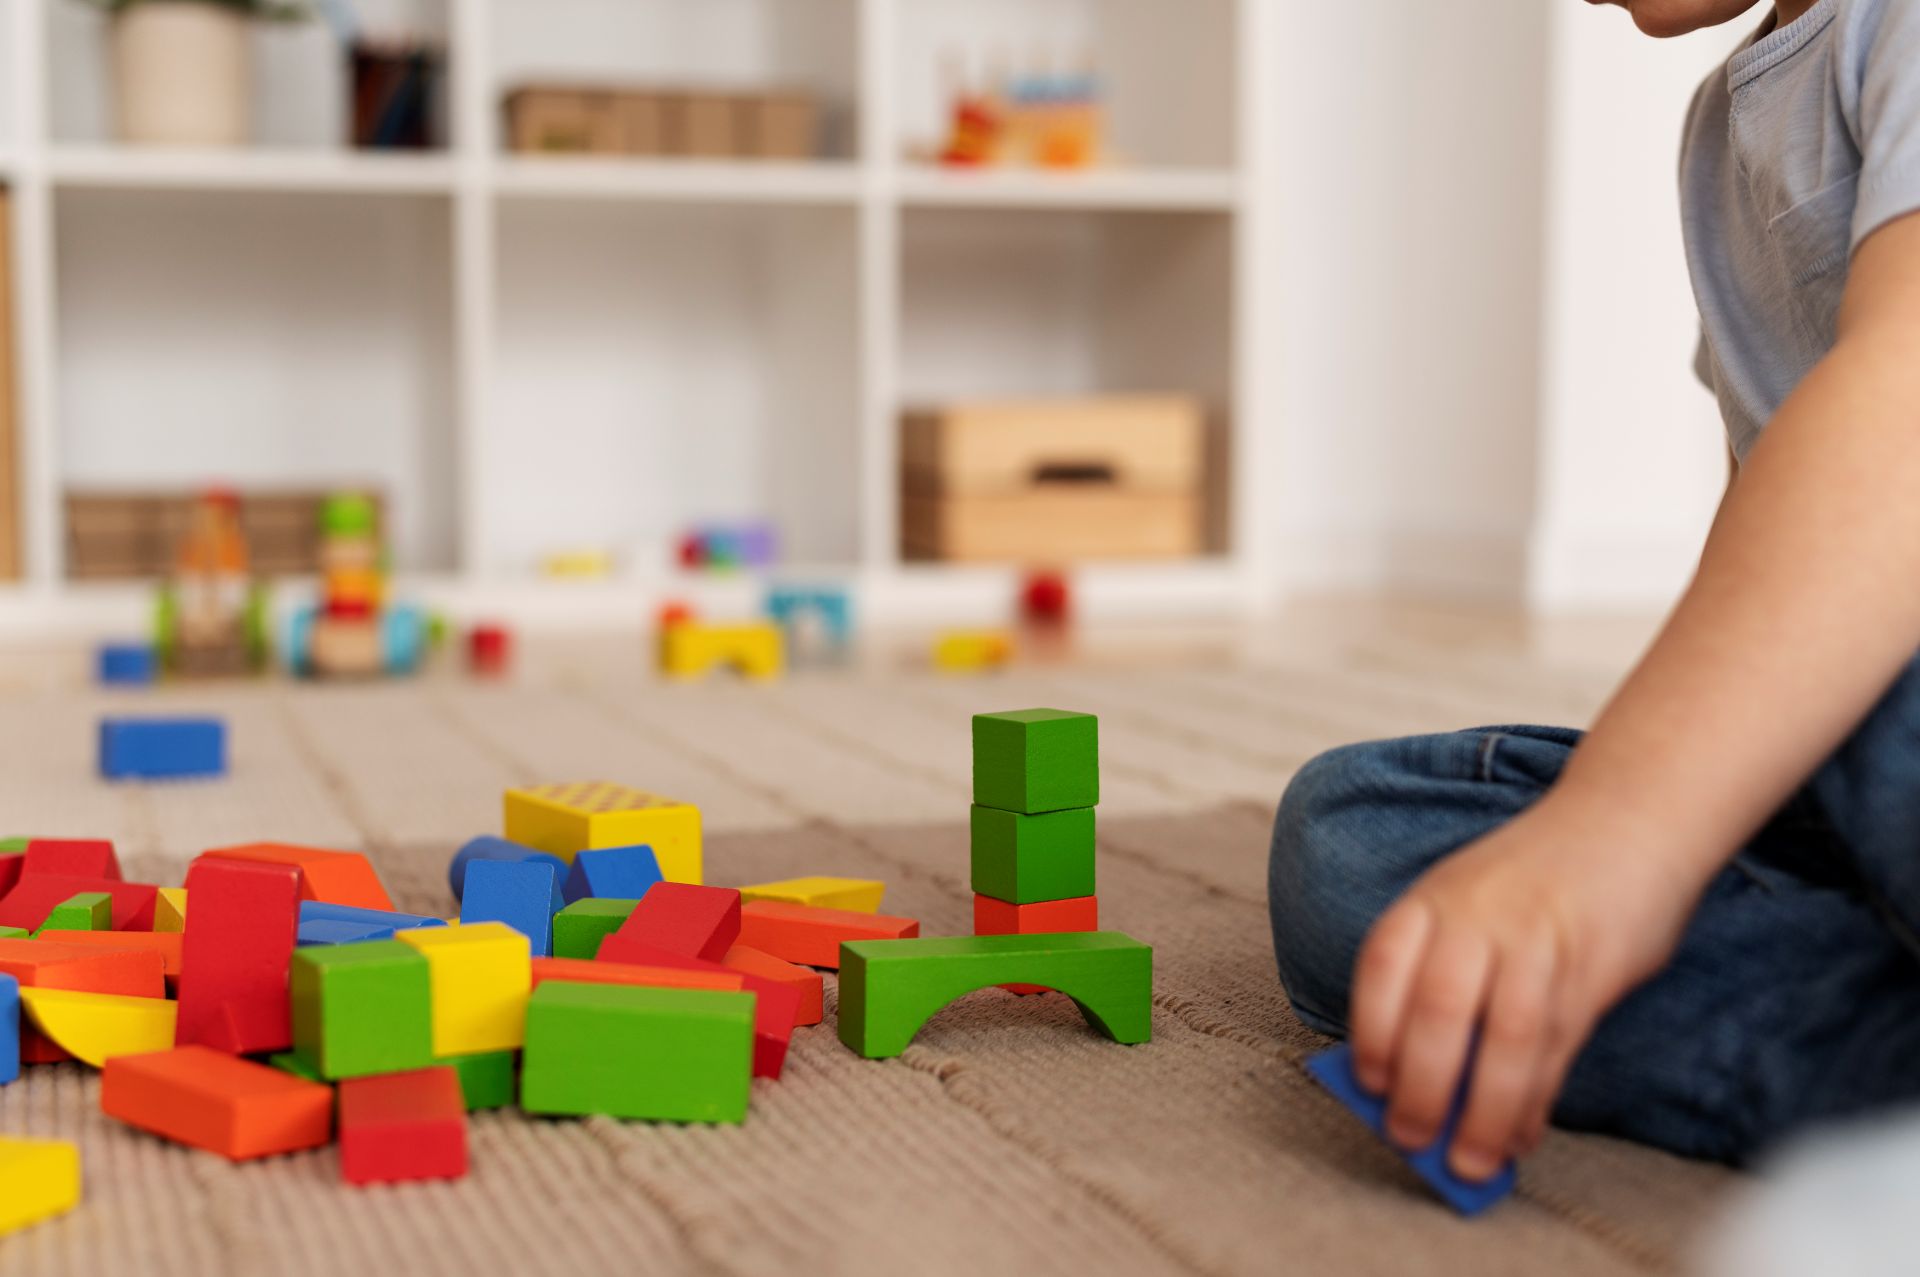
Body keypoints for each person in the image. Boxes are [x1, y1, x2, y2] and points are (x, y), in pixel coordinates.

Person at [1269, 0, 1920, 1185]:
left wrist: (1628, 829)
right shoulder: (1724, 133)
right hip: (1855, 786)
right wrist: (1592, 855)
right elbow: (1761, 522)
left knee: (1866, 689)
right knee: (1351, 847)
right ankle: (1880, 1083)